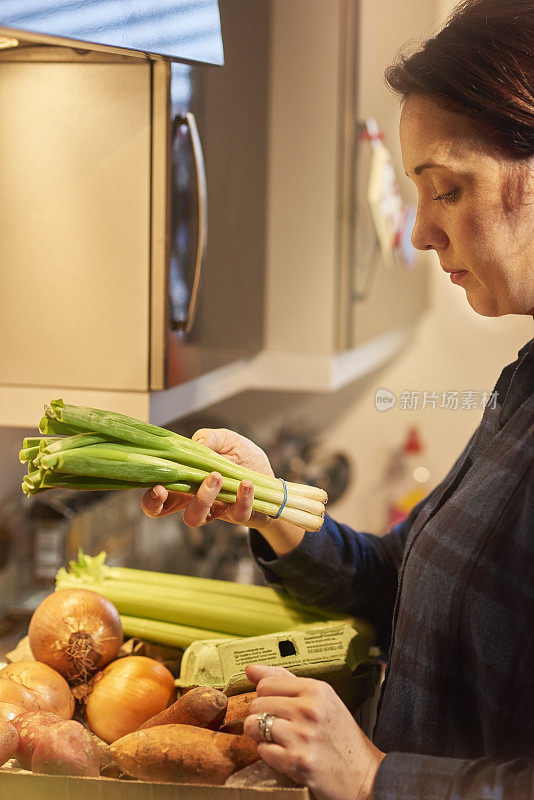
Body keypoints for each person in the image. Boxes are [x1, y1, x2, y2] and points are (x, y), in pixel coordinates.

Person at [142, 0, 534, 797]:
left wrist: (373, 776)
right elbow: (403, 587)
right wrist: (269, 502)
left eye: (448, 189)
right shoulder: (526, 384)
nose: (421, 234)